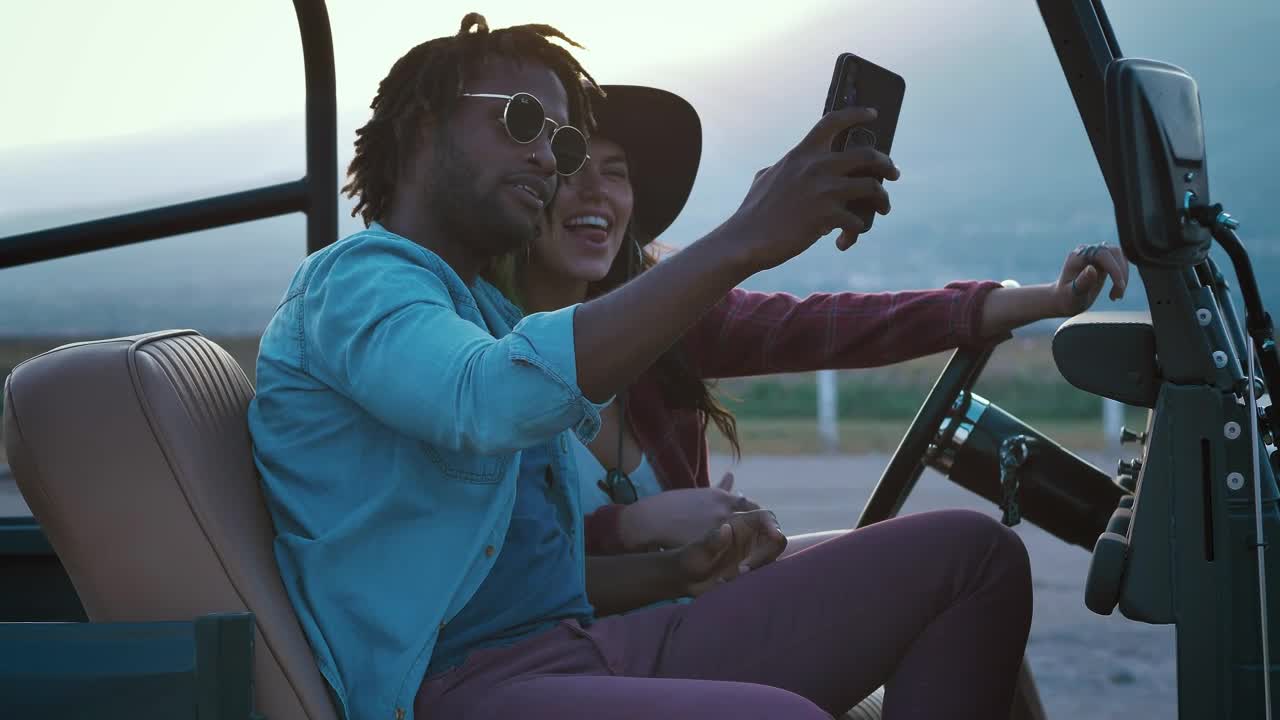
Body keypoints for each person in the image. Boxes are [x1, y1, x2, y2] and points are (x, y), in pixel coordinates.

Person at [248, 14, 1046, 720]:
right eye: (522, 121)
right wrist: (742, 239)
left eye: (560, 142)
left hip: (582, 648)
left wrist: (677, 568)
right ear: (422, 127)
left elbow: (537, 575)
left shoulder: (483, 315)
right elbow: (484, 398)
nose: (549, 162)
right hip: (458, 688)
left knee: (973, 560)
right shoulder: (357, 281)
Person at [492, 84, 1131, 557]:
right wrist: (640, 529)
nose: (597, 191)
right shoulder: (477, 357)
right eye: (571, 168)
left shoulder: (675, 323)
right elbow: (507, 562)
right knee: (961, 558)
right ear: (526, 190)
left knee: (969, 567)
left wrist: (1049, 298)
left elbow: (844, 323)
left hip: (707, 592)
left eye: (618, 174)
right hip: (600, 638)